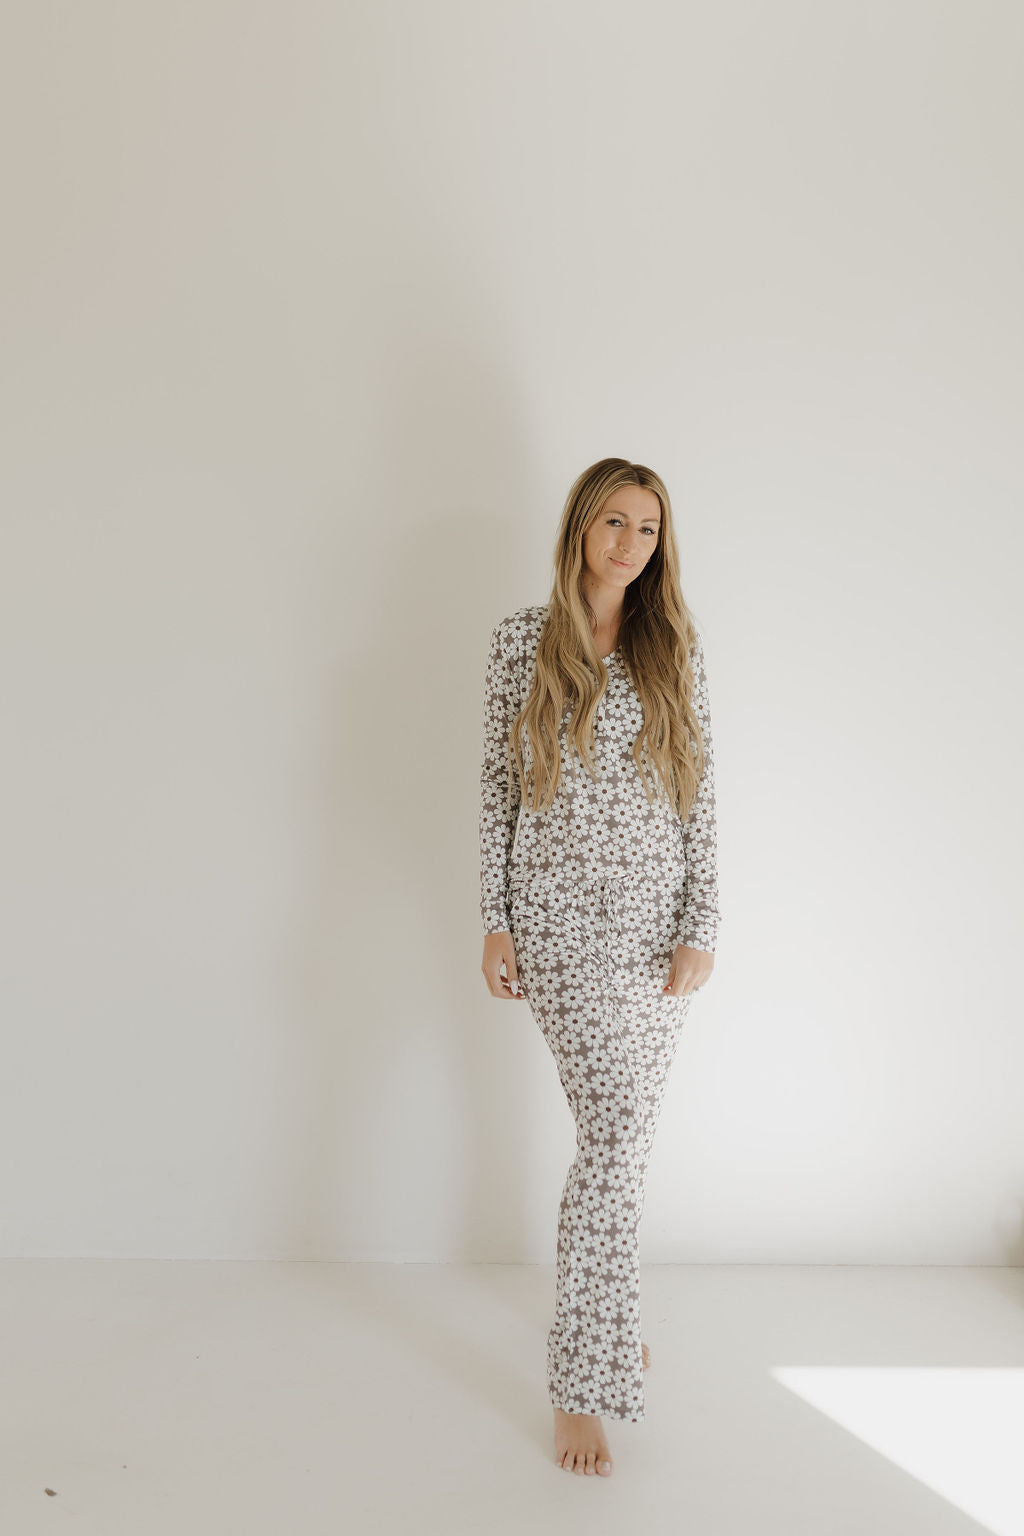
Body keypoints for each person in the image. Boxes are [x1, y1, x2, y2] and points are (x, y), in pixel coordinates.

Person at [478, 457, 721, 1478]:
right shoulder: (518, 643)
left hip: (654, 929)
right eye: (614, 521)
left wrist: (701, 922)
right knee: (615, 1139)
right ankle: (582, 1382)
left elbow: (699, 790)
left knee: (624, 1145)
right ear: (581, 526)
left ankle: (607, 1324)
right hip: (559, 923)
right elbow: (497, 788)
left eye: (647, 528)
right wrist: (494, 919)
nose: (629, 543)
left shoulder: (674, 649)